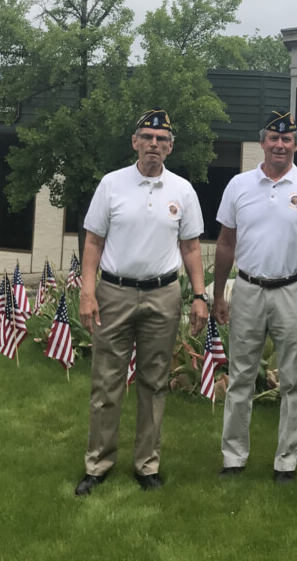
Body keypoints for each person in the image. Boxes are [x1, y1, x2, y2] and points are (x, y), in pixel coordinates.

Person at [74, 109, 209, 497]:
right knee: (106, 382)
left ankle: (146, 465)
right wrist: (87, 291)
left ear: (170, 147)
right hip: (113, 293)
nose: (154, 144)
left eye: (161, 139)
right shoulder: (111, 184)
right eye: (147, 137)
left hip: (163, 295)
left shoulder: (182, 190)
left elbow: (192, 247)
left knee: (154, 383)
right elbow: (93, 241)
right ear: (134, 142)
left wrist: (199, 296)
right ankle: (97, 464)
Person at [212, 110, 297, 484]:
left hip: (293, 290)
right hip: (247, 289)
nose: (280, 145)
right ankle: (233, 457)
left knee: (293, 380)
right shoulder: (239, 185)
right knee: (241, 376)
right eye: (273, 139)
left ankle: (286, 461)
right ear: (263, 143)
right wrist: (218, 295)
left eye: (287, 139)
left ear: (296, 144)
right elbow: (226, 243)